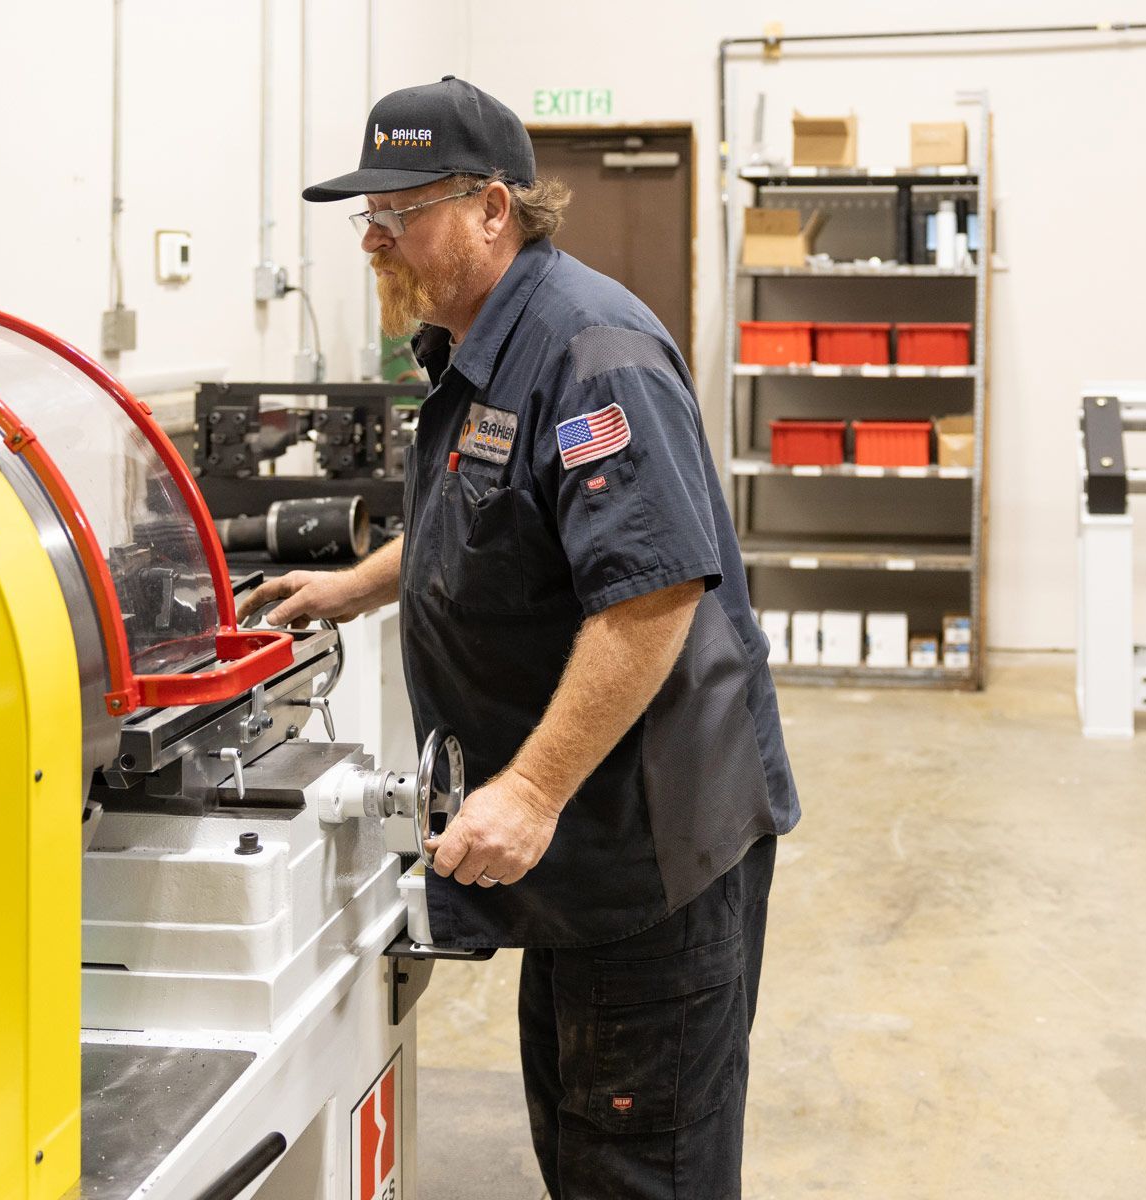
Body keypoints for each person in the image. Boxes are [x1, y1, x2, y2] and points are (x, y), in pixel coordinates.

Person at [237, 77, 801, 1197]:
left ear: (495, 208)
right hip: (581, 862)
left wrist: (531, 790)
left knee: (641, 1163)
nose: (376, 243)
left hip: (646, 852)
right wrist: (360, 584)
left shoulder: (591, 353)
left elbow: (652, 596)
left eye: (403, 214)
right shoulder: (476, 343)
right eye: (369, 219)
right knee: (581, 1135)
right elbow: (493, 511)